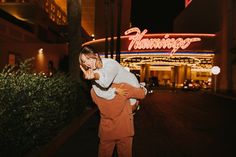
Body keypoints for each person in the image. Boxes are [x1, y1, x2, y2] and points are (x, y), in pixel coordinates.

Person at [79, 45, 145, 112]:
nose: (87, 63)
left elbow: (105, 82)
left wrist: (95, 76)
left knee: (132, 107)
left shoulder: (110, 63)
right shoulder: (92, 71)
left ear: (96, 55)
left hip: (131, 83)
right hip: (118, 86)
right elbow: (99, 92)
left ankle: (141, 89)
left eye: (88, 59)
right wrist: (113, 91)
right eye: (84, 61)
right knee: (93, 92)